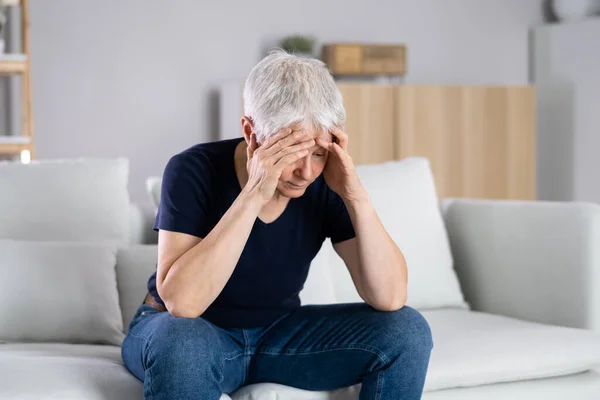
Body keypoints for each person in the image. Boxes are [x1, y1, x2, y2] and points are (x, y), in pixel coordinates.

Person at [121, 50, 433, 400]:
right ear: (250, 132)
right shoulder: (192, 170)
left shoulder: (324, 182)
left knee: (407, 331)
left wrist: (354, 195)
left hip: (277, 337)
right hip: (186, 331)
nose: (307, 172)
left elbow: (390, 297)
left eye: (318, 153)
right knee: (182, 342)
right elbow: (183, 304)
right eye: (291, 154)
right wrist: (253, 195)